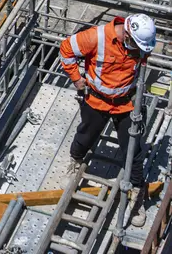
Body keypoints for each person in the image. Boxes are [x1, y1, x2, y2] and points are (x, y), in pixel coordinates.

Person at [60, 13, 155, 227]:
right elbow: (66, 49)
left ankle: (136, 193)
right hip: (97, 99)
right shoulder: (96, 37)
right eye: (136, 46)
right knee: (86, 135)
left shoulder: (140, 45)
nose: (138, 52)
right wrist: (77, 80)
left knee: (135, 150)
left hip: (126, 103)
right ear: (127, 35)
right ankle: (75, 161)